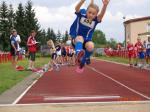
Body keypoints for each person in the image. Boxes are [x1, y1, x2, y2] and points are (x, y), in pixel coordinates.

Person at [70, 0, 110, 73]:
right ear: (86, 11)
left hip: (86, 41)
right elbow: (76, 8)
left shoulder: (95, 20)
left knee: (91, 46)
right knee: (80, 38)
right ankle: (78, 54)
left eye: (93, 14)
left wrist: (105, 5)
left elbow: (101, 15)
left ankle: (83, 61)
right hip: (76, 40)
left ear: (96, 15)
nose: (91, 15)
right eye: (89, 12)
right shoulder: (82, 14)